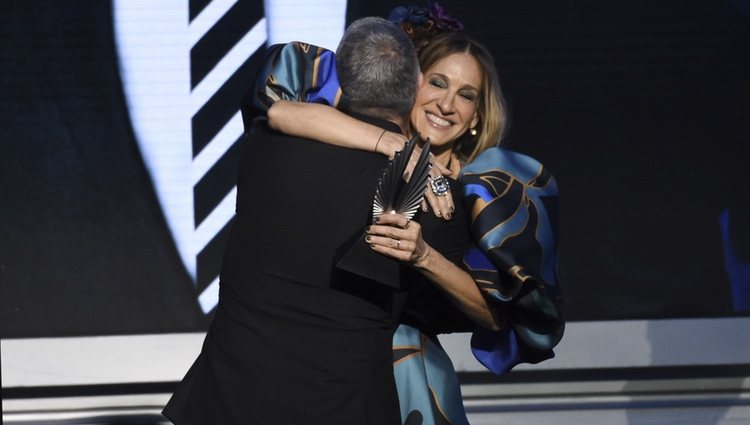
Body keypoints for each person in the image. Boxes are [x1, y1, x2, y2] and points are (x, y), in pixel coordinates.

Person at [257, 7, 565, 424]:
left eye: (466, 95)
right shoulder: (357, 147)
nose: (447, 104)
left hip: (405, 375)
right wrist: (400, 147)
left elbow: (499, 314)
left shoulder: (484, 192)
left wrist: (425, 257)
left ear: (476, 116)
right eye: (438, 82)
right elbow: (275, 106)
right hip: (314, 365)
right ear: (411, 83)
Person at [163, 17, 423, 425]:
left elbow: (278, 110)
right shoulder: (420, 187)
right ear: (417, 85)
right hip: (339, 405)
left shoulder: (265, 147)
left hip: (230, 398)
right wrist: (394, 143)